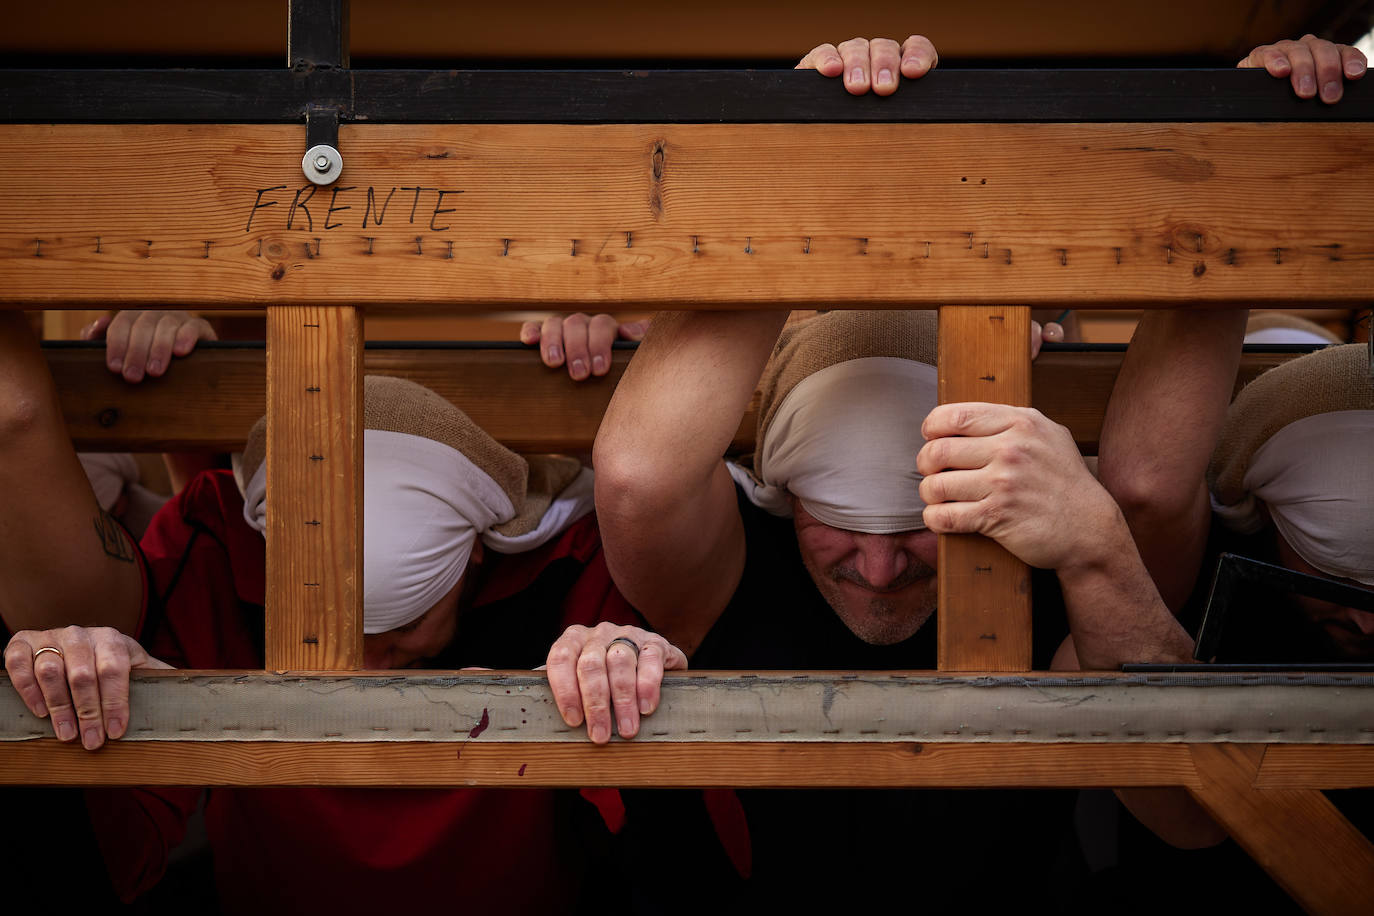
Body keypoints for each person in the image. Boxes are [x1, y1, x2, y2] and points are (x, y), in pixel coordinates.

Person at [2, 310, 681, 912]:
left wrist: (623, 657)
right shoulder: (215, 551)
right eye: (332, 627)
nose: (363, 667)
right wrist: (94, 673)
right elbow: (120, 846)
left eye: (401, 627)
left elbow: (662, 851)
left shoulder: (564, 567)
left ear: (476, 554)